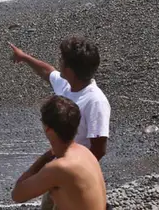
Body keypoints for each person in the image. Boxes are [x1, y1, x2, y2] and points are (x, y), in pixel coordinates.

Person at [10, 36, 111, 209]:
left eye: (62, 60)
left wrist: (74, 172)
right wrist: (24, 57)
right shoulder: (67, 85)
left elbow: (99, 148)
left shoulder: (95, 101)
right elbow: (47, 72)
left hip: (72, 171)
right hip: (70, 160)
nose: (59, 62)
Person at [12, 96, 107, 209]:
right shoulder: (85, 152)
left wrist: (44, 158)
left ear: (48, 129)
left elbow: (17, 195)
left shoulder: (60, 168)